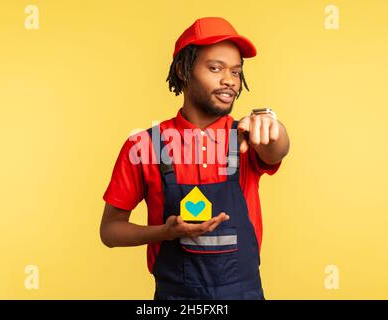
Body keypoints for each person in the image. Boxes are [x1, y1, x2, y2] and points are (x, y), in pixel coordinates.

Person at [100, 17, 290, 300]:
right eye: (216, 68)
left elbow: (277, 147)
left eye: (236, 72)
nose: (229, 80)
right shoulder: (145, 145)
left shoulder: (247, 137)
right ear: (183, 70)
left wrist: (273, 125)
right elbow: (110, 231)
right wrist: (164, 232)